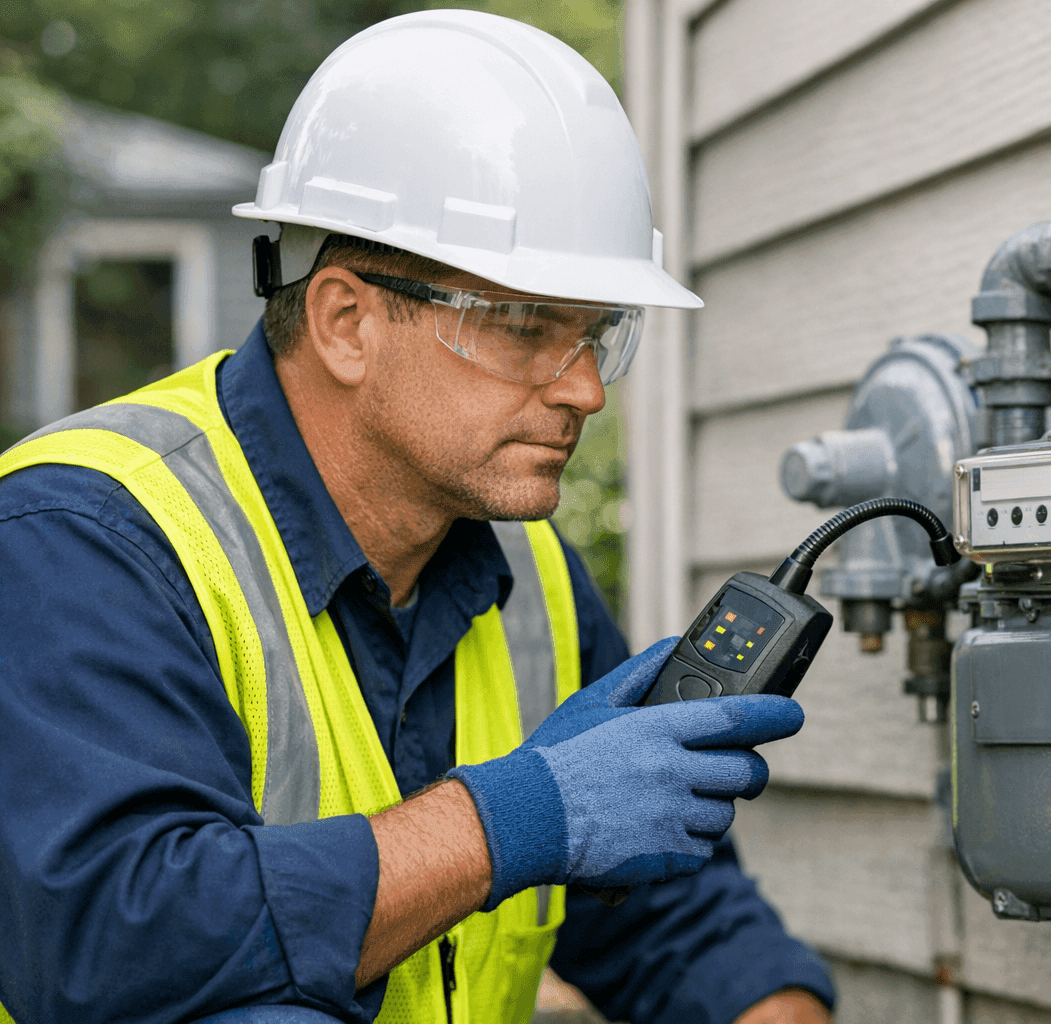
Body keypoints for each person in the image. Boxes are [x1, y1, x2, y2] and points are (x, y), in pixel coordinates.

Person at [0, 11, 835, 1024]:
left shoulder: (534, 582)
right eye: (527, 326)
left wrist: (772, 1004)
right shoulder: (86, 535)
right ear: (347, 321)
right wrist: (519, 815)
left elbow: (669, 923)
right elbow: (115, 939)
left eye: (598, 337)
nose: (585, 391)